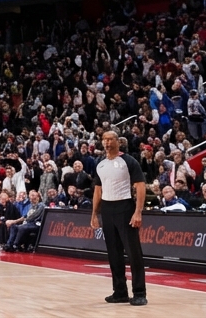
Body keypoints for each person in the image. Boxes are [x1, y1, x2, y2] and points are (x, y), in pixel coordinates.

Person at [91, 129, 148, 306]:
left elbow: (140, 186)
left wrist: (138, 211)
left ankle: (139, 292)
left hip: (125, 207)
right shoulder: (100, 164)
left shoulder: (128, 161)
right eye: (104, 139)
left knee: (133, 252)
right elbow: (98, 191)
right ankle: (120, 292)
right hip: (107, 209)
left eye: (110, 139)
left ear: (118, 142)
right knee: (113, 253)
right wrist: (94, 214)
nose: (107, 142)